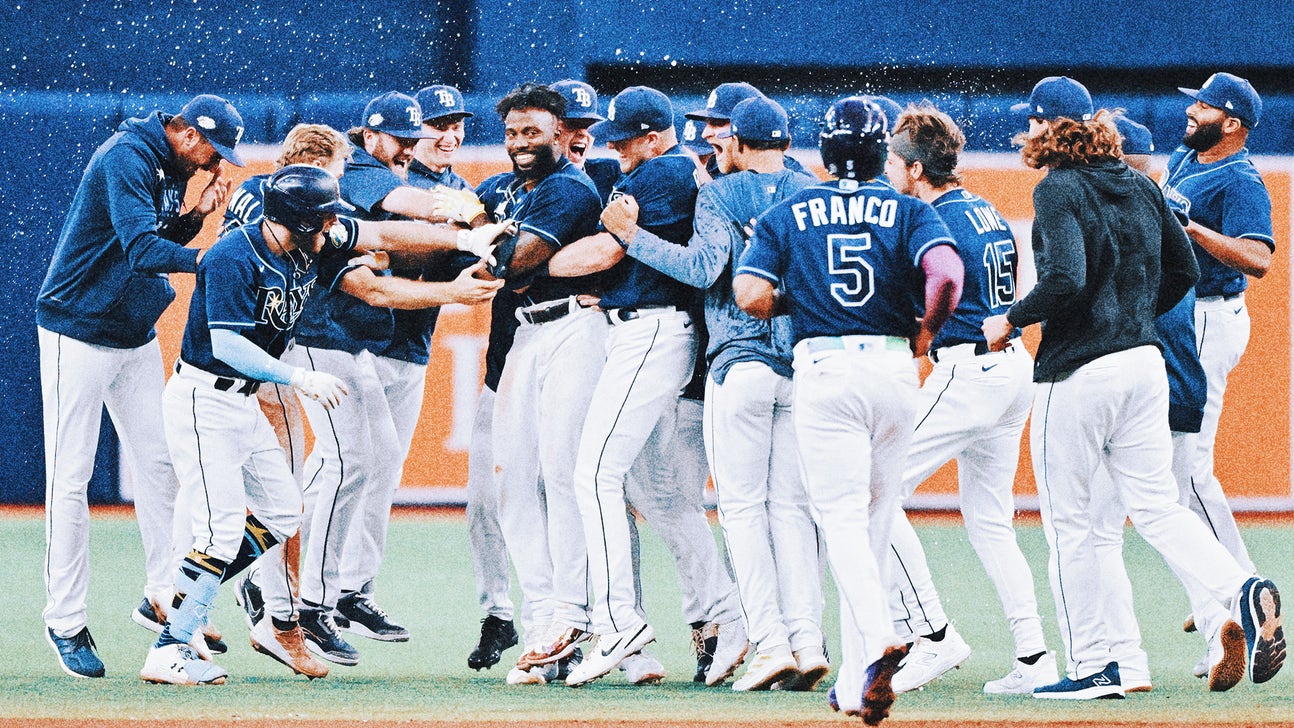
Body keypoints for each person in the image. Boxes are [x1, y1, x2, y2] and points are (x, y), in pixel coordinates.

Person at [983, 75, 1284, 698]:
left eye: (1032, 122)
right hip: (1145, 364)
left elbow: (1064, 278)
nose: (1027, 131)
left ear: (1047, 129)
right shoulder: (1141, 181)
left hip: (1080, 370)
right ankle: (1239, 588)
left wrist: (1010, 319)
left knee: (1072, 526)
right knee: (1154, 508)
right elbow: (1180, 268)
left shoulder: (1058, 187)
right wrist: (1137, 316)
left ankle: (1097, 665)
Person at [216, 122, 506, 674]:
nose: (338, 195)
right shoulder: (277, 204)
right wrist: (453, 285)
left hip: (286, 351)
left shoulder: (292, 202)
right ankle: (294, 605)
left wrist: (461, 240)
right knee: (316, 470)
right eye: (336, 177)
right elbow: (368, 279)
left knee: (331, 472)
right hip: (244, 363)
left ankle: (276, 594)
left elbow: (379, 237)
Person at [734, 96, 963, 726]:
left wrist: (800, 299)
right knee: (878, 520)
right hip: (893, 366)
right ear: (878, 151)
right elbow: (946, 276)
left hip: (826, 369)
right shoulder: (911, 209)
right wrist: (926, 334)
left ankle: (881, 634)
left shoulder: (788, 211)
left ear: (827, 151)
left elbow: (750, 293)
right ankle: (858, 682)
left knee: (837, 523)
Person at [609, 95, 828, 692]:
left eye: (718, 135)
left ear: (735, 141)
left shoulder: (720, 193)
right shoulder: (813, 192)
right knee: (794, 513)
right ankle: (808, 640)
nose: (710, 143)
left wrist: (632, 238)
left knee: (740, 512)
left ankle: (765, 641)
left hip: (740, 361)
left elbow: (707, 270)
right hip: (802, 365)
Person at [538, 86, 746, 689]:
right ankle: (727, 619)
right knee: (657, 495)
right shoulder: (677, 173)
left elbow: (597, 252)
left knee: (592, 474)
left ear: (654, 136)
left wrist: (542, 261)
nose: (615, 149)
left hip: (654, 334)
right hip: (660, 330)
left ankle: (617, 621)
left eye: (624, 139)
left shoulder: (663, 171)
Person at [38, 93, 244, 678]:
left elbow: (148, 240)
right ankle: (66, 619)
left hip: (131, 329)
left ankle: (162, 595)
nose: (213, 163)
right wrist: (217, 254)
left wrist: (195, 218)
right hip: (76, 329)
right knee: (71, 477)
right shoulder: (126, 156)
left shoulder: (162, 161)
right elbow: (140, 249)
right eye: (211, 150)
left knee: (160, 464)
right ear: (184, 132)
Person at [140, 164, 354, 685]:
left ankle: (184, 595)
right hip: (204, 400)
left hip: (244, 404)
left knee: (282, 513)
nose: (331, 228)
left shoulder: (304, 247)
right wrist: (298, 377)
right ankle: (168, 651)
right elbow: (227, 344)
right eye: (324, 220)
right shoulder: (232, 256)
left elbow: (362, 237)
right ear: (300, 223)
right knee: (220, 531)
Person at [877, 102, 1053, 695]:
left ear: (917, 169)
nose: (889, 167)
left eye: (896, 159)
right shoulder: (983, 208)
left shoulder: (934, 219)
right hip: (1011, 370)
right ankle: (1034, 657)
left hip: (967, 369)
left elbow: (937, 291)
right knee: (989, 520)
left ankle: (931, 637)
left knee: (873, 490)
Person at [475, 82, 606, 686]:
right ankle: (543, 623)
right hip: (523, 338)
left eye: (533, 132)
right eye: (512, 133)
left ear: (560, 135)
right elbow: (465, 260)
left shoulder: (568, 187)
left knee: (561, 475)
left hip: (574, 331)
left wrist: (479, 234)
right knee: (514, 485)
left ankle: (571, 620)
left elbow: (512, 264)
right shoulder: (508, 188)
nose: (521, 143)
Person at [1160, 72, 1273, 664]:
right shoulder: (1185, 155)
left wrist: (1193, 229)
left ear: (1231, 123)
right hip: (1184, 315)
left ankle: (1240, 597)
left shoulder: (1242, 177)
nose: (1191, 110)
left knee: (1186, 472)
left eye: (1203, 106)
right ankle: (1234, 594)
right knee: (1180, 473)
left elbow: (1258, 260)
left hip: (1210, 316)